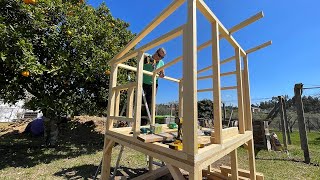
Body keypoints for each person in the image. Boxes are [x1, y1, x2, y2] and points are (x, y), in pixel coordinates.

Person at [141, 47, 166, 125]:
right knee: (141, 102)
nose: (160, 58)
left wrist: (162, 74)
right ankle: (140, 123)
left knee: (150, 103)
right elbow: (141, 54)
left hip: (154, 84)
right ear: (156, 52)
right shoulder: (147, 56)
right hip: (143, 83)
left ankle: (147, 123)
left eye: (162, 57)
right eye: (159, 55)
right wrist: (148, 58)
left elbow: (163, 74)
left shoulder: (161, 63)